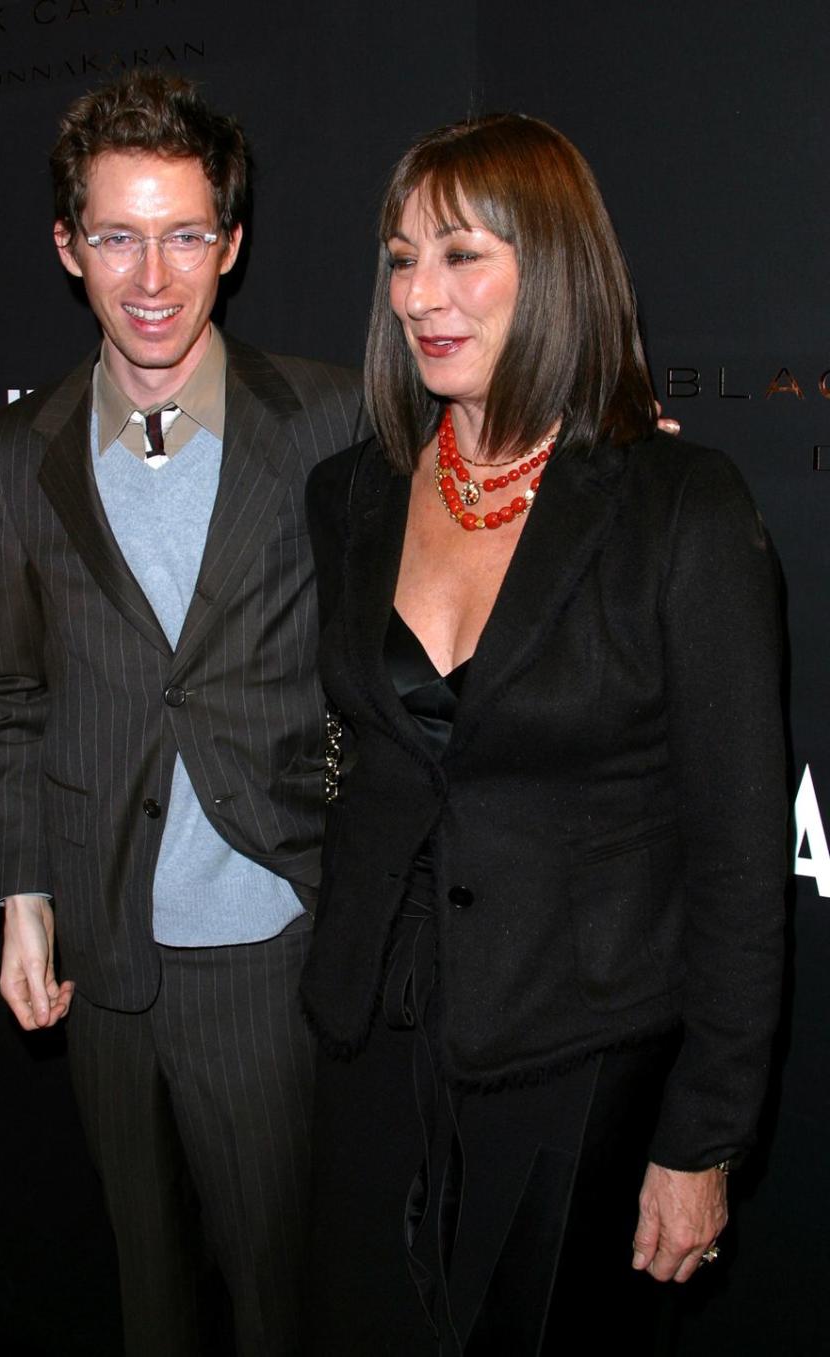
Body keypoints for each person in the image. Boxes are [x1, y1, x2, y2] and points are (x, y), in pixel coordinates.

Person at [301, 113, 786, 1355]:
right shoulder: (351, 490)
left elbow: (738, 860)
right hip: (373, 1041)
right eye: (401, 259)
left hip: (576, 1068)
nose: (420, 295)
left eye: (461, 255)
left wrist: (703, 1138)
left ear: (555, 262)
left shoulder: (679, 507)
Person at [0, 69, 364, 1357]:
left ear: (231, 244)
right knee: (151, 1294)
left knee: (276, 1295)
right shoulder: (17, 450)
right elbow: (7, 692)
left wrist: (602, 450)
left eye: (186, 234)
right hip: (103, 946)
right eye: (120, 236)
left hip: (267, 942)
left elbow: (487, 478)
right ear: (69, 245)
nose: (153, 276)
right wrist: (23, 894)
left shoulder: (329, 422)